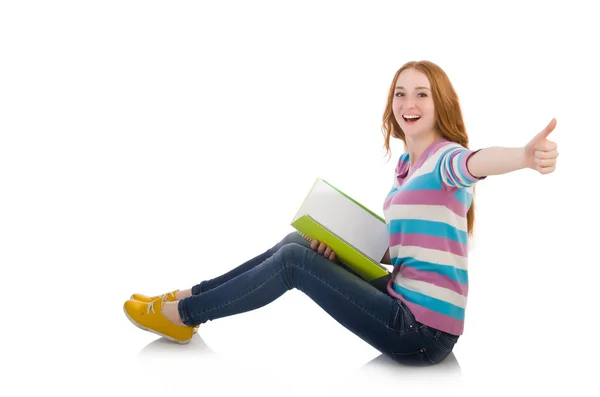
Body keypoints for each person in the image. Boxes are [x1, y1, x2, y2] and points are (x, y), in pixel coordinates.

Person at [123, 60, 559, 366]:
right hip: (399, 297)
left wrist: (523, 155)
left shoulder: (447, 159)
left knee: (294, 263)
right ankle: (188, 297)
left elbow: (478, 162)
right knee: (299, 244)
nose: (409, 102)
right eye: (401, 93)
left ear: (439, 103)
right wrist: (338, 245)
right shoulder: (407, 168)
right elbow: (397, 248)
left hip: (422, 334)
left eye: (422, 94)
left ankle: (184, 318)